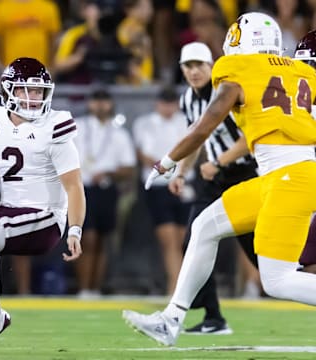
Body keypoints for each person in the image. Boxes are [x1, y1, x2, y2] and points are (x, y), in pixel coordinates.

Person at [122, 11, 316, 346]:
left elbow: (208, 121)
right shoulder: (301, 70)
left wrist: (169, 160)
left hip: (291, 177)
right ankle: (172, 320)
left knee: (277, 280)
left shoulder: (237, 68)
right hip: (280, 175)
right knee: (204, 227)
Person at [0, 57, 86, 354]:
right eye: (26, 90)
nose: (34, 98)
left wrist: (75, 229)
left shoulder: (55, 125)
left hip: (46, 217)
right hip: (8, 210)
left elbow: (74, 186)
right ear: (7, 91)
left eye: (39, 91)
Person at [168, 41, 259, 335]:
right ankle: (213, 317)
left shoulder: (229, 91)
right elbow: (196, 137)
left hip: (244, 174)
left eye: (199, 65)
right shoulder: (187, 100)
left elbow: (250, 139)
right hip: (214, 179)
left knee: (262, 255)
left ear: (212, 67)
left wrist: (218, 162)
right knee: (193, 240)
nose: (194, 72)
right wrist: (181, 171)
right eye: (188, 66)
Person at [73, 88, 136, 297]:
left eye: (104, 101)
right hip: (82, 189)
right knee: (86, 237)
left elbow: (128, 167)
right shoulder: (77, 128)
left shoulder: (119, 133)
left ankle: (95, 288)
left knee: (102, 239)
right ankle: (83, 287)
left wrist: (109, 172)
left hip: (107, 189)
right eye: (96, 100)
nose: (100, 105)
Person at [132, 86, 194, 295]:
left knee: (184, 239)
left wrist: (176, 170)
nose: (167, 107)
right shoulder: (145, 123)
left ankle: (182, 287)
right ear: (157, 103)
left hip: (183, 183)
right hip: (158, 185)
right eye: (164, 102)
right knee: (169, 241)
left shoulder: (186, 121)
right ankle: (174, 287)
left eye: (171, 102)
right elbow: (143, 153)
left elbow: (192, 150)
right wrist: (165, 168)